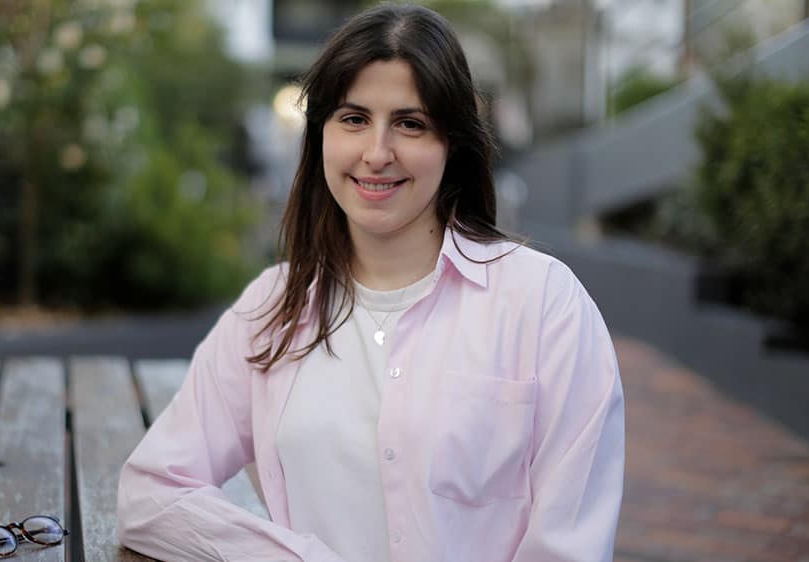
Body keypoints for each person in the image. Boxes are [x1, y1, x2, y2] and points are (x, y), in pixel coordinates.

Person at [117, 4, 625, 561]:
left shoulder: (545, 305)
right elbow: (151, 495)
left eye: (410, 123)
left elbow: (567, 546)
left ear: (451, 145)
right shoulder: (271, 308)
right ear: (321, 137)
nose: (377, 154)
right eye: (354, 119)